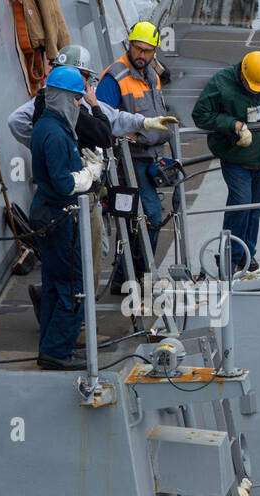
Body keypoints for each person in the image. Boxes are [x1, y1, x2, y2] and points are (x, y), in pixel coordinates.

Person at [10, 44, 178, 314]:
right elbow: (18, 121)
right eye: (83, 76)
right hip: (72, 195)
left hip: (79, 190)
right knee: (79, 258)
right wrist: (49, 146)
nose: (86, 84)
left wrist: (143, 122)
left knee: (82, 255)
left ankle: (60, 308)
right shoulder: (59, 107)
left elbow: (112, 118)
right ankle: (70, 318)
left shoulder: (76, 104)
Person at [192, 51, 260, 273]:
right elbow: (201, 114)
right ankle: (228, 259)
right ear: (242, 76)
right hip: (236, 159)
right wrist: (235, 125)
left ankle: (247, 254)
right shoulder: (221, 83)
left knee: (255, 208)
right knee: (241, 206)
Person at [30, 66, 105, 370]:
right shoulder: (57, 136)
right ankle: (57, 351)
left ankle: (49, 345)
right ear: (62, 97)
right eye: (75, 99)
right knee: (75, 283)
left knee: (53, 283)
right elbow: (63, 183)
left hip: (47, 214)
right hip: (60, 216)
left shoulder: (47, 126)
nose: (78, 104)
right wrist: (89, 173)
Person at [97, 21, 174, 293]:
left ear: (154, 51)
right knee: (150, 216)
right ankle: (142, 275)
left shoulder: (150, 73)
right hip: (129, 161)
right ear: (128, 45)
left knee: (133, 219)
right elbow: (101, 119)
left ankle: (124, 277)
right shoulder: (115, 77)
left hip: (150, 158)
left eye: (147, 50)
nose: (141, 54)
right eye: (136, 48)